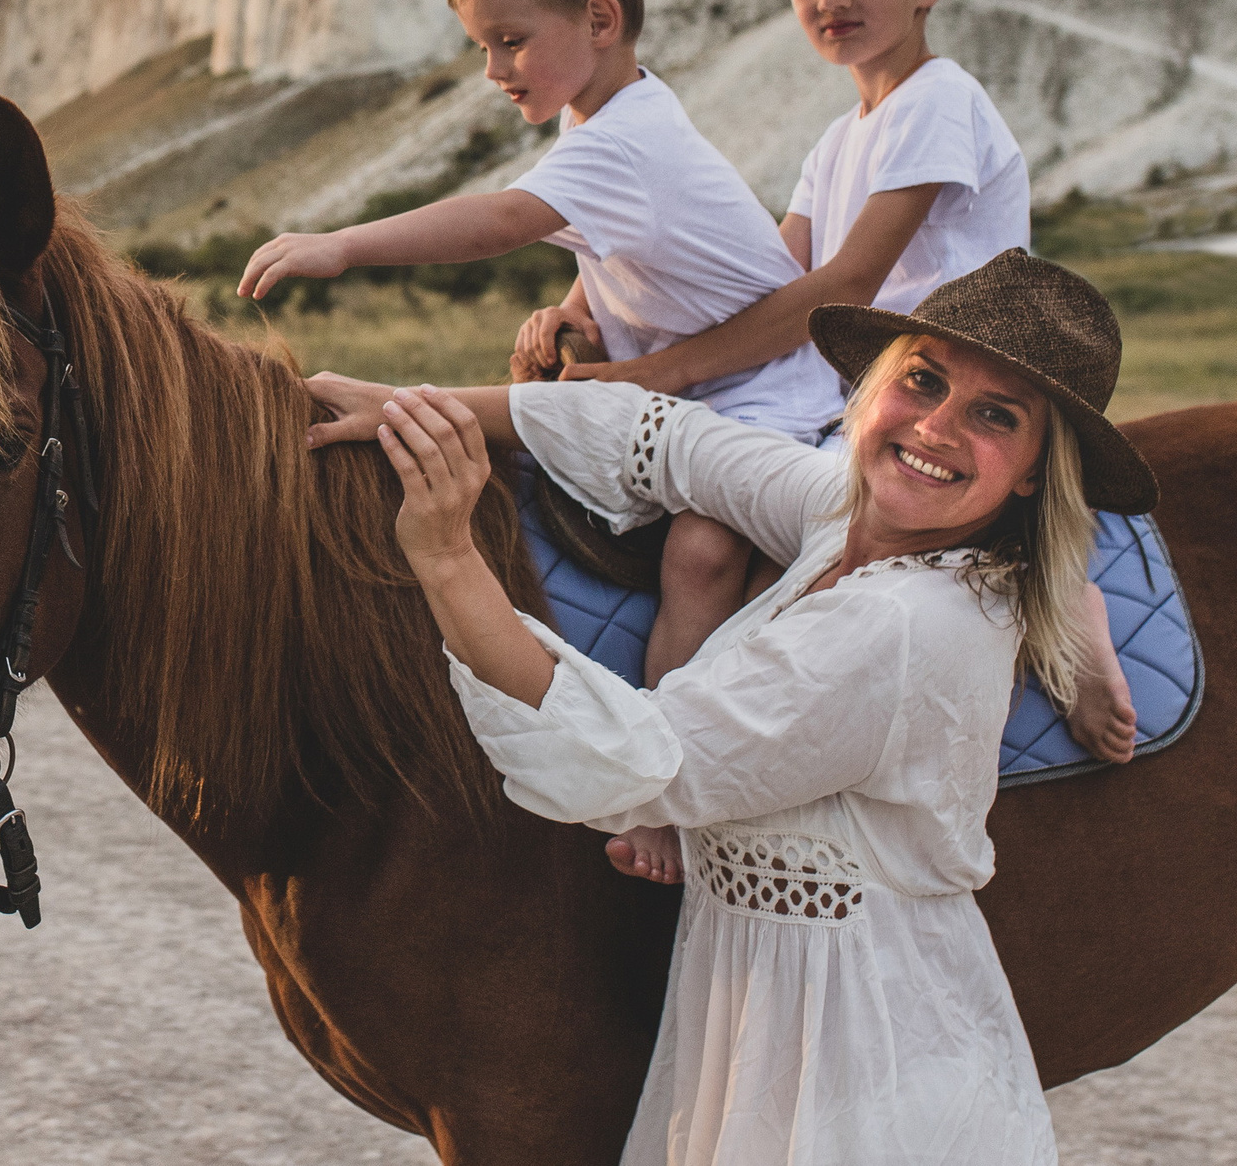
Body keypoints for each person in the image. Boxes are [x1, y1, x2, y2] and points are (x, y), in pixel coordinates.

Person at [306, 248, 1159, 1164]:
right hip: (784, 1025)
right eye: (923, 380)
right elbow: (670, 437)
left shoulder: (906, 623)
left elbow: (637, 755)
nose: (939, 427)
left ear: (1034, 472)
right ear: (875, 388)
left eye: (996, 416)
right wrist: (411, 403)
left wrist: (443, 554)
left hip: (857, 1059)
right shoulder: (846, 515)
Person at [561, 0, 1134, 764]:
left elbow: (841, 288)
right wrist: (588, 297)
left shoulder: (939, 103)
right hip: (846, 396)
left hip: (943, 387)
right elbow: (764, 273)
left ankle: (1066, 597)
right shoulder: (837, 139)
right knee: (702, 549)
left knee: (834, 559)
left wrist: (653, 374)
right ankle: (662, 761)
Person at [237, 0, 842, 666]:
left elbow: (504, 220)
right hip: (687, 388)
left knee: (703, 553)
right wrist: (572, 308)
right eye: (482, 46)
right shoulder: (601, 110)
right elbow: (614, 239)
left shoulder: (623, 139)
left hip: (763, 392)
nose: (493, 69)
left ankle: (675, 734)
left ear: (598, 21)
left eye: (510, 41)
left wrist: (345, 244)